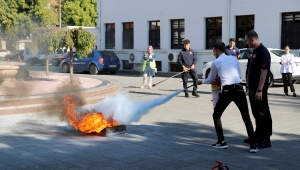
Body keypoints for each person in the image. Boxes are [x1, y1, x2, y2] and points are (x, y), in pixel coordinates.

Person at [197, 42, 258, 153]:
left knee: (216, 115)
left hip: (227, 90)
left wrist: (201, 82)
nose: (214, 53)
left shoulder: (216, 62)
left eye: (214, 51)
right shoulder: (234, 59)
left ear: (218, 50)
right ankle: (253, 145)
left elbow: (211, 79)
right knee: (246, 117)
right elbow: (239, 75)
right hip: (239, 89)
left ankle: (222, 142)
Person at [244, 30, 272, 149]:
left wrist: (260, 90)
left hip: (258, 90)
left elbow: (264, 72)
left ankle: (265, 139)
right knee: (256, 113)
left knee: (262, 113)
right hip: (252, 88)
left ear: (252, 40)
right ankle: (258, 135)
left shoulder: (263, 52)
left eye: (246, 40)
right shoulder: (255, 51)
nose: (245, 43)